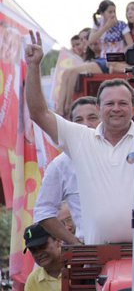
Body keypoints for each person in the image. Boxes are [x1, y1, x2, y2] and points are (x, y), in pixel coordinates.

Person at [25, 30, 134, 245]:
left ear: (133, 107)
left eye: (123, 103)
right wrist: (34, 67)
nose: (116, 109)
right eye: (109, 104)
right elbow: (39, 113)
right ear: (98, 107)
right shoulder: (80, 138)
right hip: (99, 256)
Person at [34, 96, 100, 245]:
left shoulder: (125, 152)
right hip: (91, 254)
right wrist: (75, 243)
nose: (86, 125)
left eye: (92, 117)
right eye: (78, 120)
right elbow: (43, 212)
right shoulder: (61, 165)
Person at [23, 223, 63, 291]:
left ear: (58, 241)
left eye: (42, 246)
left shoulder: (79, 267)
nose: (39, 253)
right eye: (33, 250)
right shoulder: (33, 281)